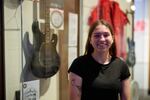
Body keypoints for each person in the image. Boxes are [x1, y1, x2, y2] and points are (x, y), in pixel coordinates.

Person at [68, 19, 131, 100]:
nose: (102, 39)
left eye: (106, 35)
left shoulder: (121, 66)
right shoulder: (79, 64)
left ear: (112, 38)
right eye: (97, 35)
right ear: (90, 39)